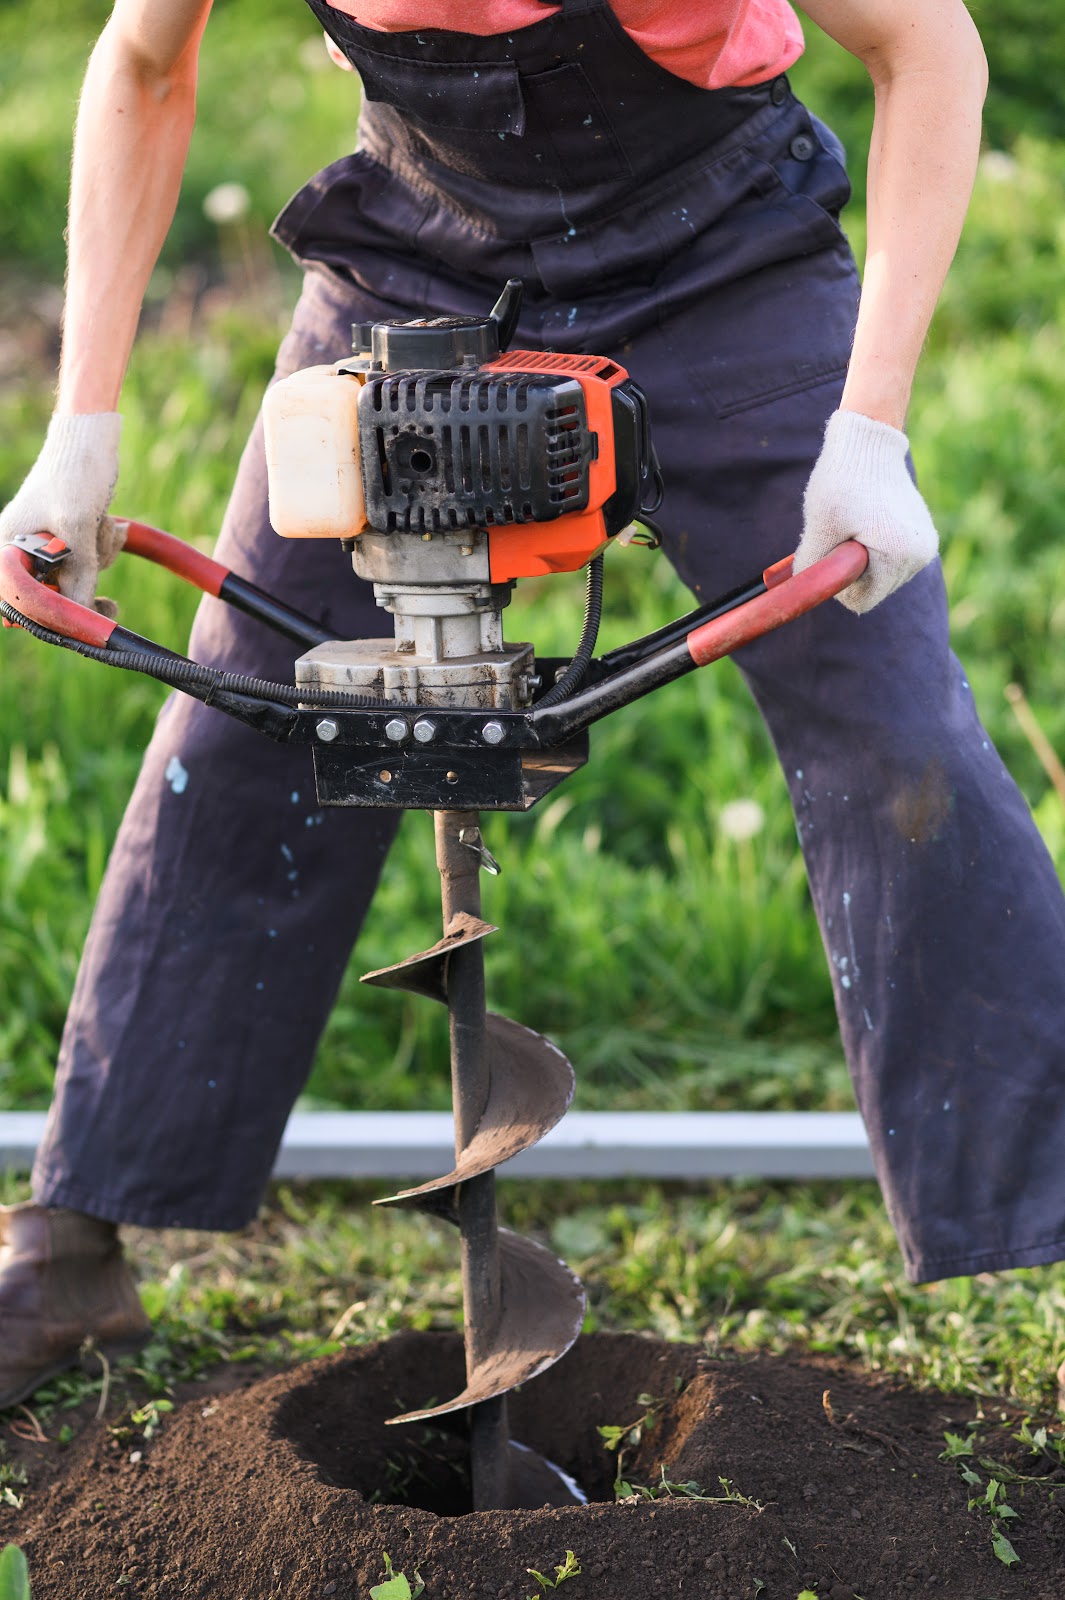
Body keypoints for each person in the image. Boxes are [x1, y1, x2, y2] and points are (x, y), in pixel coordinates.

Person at [4, 0, 1056, 1413]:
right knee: (246, 709)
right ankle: (77, 1233)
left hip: (722, 258)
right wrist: (82, 434)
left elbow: (929, 50)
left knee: (897, 735)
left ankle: (1040, 1229)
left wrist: (867, 432)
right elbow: (139, 60)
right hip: (410, 258)